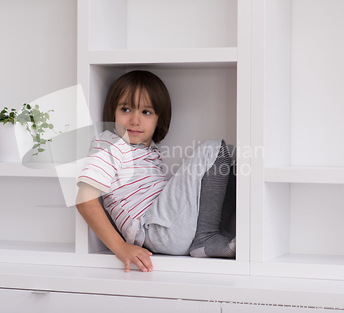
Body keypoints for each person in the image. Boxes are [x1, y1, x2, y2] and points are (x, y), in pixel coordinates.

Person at [75, 70, 236, 273]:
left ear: (159, 119)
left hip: (173, 229)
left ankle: (210, 236)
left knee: (234, 157)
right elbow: (84, 200)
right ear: (112, 112)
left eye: (146, 112)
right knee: (213, 148)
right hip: (154, 229)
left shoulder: (148, 151)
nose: (134, 120)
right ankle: (208, 237)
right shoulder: (110, 142)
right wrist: (120, 248)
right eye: (125, 109)